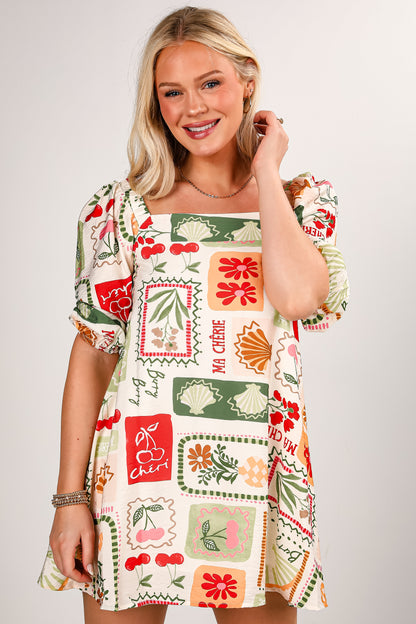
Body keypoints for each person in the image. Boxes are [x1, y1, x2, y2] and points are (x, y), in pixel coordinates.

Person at [38, 6, 349, 623]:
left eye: (211, 83)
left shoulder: (299, 201)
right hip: (137, 475)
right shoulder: (122, 210)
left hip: (259, 473)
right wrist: (70, 499)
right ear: (155, 104)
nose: (193, 108)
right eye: (172, 92)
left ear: (247, 81)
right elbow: (93, 354)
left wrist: (265, 171)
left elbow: (298, 299)